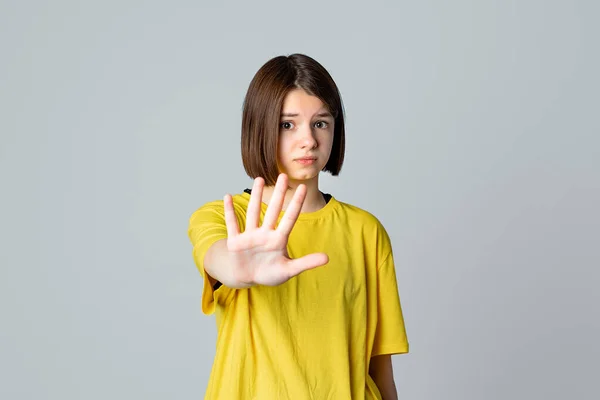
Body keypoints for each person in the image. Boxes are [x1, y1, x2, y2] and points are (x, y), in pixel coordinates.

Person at [187, 53, 409, 399]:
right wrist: (237, 269)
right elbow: (216, 255)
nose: (308, 140)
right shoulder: (226, 216)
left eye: (320, 123)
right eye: (287, 124)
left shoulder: (366, 231)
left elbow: (380, 369)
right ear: (260, 127)